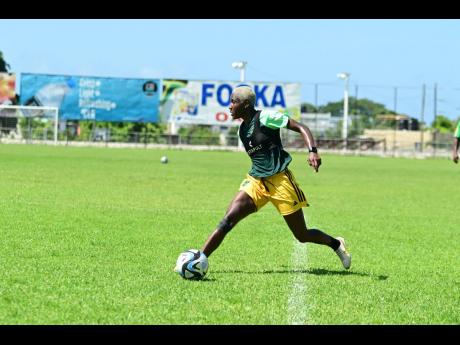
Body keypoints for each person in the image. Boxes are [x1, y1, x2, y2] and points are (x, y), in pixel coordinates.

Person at [198, 86, 351, 270]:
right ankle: (200, 258)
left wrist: (312, 151)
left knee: (302, 235)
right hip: (256, 181)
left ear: (245, 105)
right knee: (228, 219)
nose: (229, 106)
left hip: (280, 182)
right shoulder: (242, 130)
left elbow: (301, 127)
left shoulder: (265, 117)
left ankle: (336, 244)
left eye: (234, 101)